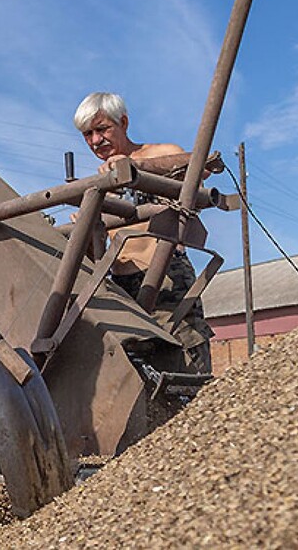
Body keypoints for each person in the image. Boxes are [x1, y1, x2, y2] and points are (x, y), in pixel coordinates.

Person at [72, 92, 213, 371]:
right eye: (88, 134)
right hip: (120, 286)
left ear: (123, 122)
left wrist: (138, 168)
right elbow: (93, 255)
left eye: (102, 129)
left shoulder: (157, 153)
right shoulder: (100, 183)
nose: (95, 141)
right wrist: (86, 227)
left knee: (185, 356)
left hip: (166, 279)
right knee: (135, 369)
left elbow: (204, 164)